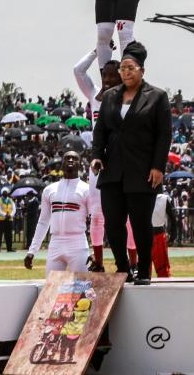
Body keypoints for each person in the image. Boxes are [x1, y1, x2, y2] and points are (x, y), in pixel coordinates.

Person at [91, 41, 172, 285]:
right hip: (112, 169)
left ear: (142, 71)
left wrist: (158, 166)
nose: (125, 72)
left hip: (142, 170)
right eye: (123, 68)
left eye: (130, 68)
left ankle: (144, 270)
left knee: (140, 224)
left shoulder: (157, 96)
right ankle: (123, 268)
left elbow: (164, 134)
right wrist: (97, 155)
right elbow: (100, 130)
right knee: (113, 223)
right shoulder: (110, 96)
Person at [73, 48, 123, 269]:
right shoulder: (94, 95)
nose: (108, 80)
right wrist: (97, 50)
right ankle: (99, 262)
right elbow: (78, 70)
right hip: (98, 160)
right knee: (97, 215)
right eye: (105, 75)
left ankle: (131, 262)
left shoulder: (126, 98)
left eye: (113, 76)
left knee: (125, 218)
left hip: (120, 159)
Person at [25, 151, 91, 273]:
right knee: (53, 284)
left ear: (80, 164)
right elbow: (43, 222)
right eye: (67, 158)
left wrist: (96, 252)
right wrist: (32, 251)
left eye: (74, 158)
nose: (70, 160)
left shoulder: (87, 189)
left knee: (82, 284)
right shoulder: (49, 190)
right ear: (62, 163)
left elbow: (95, 220)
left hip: (78, 243)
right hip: (55, 243)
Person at [150, 187, 174, 278]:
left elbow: (172, 218)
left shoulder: (164, 199)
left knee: (162, 270)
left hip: (158, 235)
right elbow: (173, 218)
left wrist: (173, 235)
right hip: (149, 234)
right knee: (144, 269)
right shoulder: (164, 199)